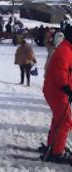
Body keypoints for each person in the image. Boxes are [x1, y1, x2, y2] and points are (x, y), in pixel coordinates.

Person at [41, 24, 72, 163]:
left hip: (55, 90)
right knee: (65, 121)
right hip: (57, 91)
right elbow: (60, 73)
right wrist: (67, 89)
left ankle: (53, 146)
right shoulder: (65, 51)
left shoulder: (67, 49)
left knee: (58, 120)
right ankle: (57, 153)